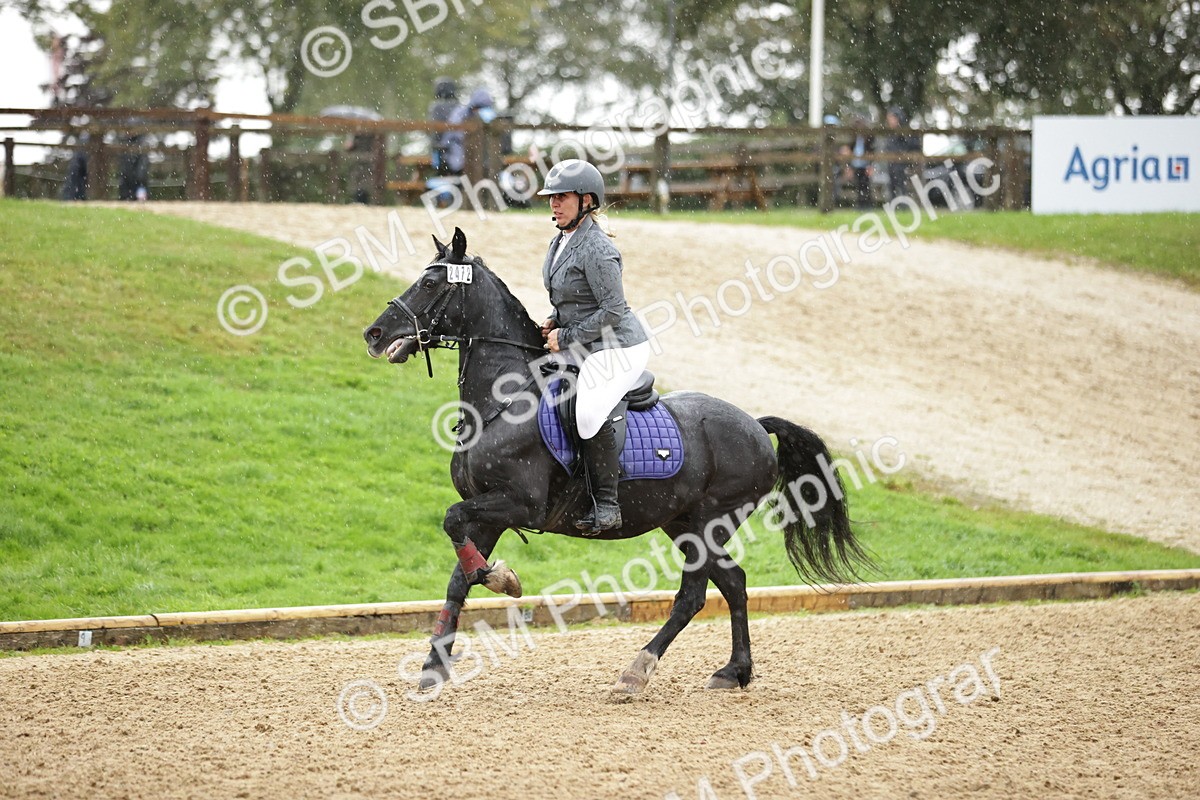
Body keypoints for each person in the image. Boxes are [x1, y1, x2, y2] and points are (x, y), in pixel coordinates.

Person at [537, 159, 650, 533]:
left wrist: (566, 337)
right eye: (552, 197)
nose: (554, 204)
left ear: (586, 200)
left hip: (619, 348)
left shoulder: (597, 248)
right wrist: (555, 318)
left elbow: (613, 309)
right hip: (590, 343)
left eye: (562, 197)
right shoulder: (561, 240)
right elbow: (574, 298)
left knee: (587, 413)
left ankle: (607, 504)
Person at [884, 106, 921, 200]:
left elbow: (913, 147)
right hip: (892, 164)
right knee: (892, 185)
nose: (890, 121)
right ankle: (893, 203)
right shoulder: (890, 133)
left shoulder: (906, 132)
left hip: (903, 165)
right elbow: (888, 148)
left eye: (892, 119)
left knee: (902, 185)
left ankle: (904, 203)